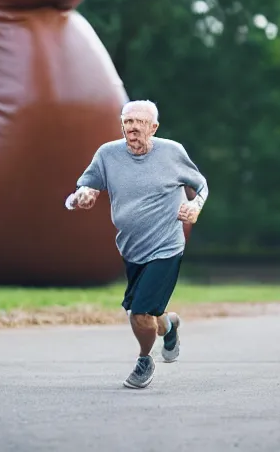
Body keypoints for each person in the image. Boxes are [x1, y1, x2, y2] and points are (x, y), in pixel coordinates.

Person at [65, 100, 209, 389]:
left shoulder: (172, 153)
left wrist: (196, 205)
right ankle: (169, 325)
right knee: (150, 317)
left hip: (167, 246)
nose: (132, 128)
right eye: (127, 122)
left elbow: (201, 185)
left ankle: (145, 360)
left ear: (153, 128)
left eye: (139, 122)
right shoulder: (108, 155)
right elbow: (82, 189)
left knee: (139, 314)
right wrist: (79, 198)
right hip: (132, 250)